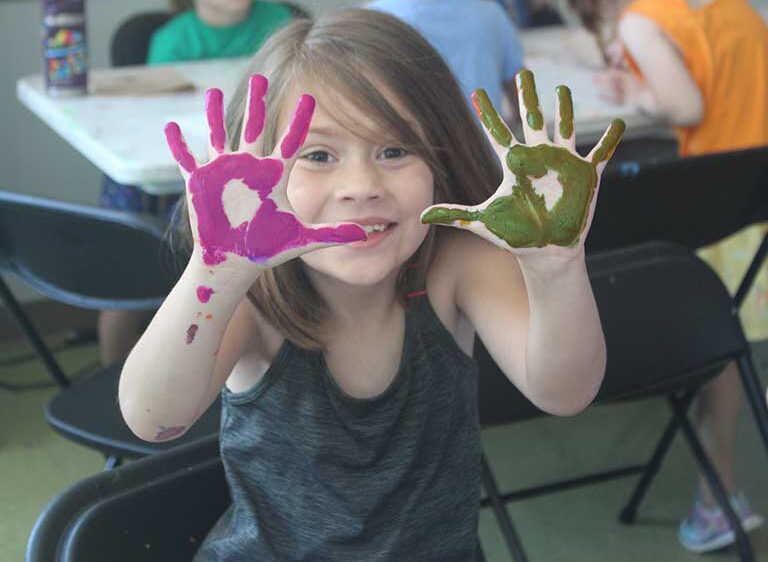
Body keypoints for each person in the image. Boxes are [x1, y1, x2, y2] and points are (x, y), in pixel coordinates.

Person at [119, 9, 621, 560]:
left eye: (394, 150)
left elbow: (566, 392)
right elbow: (153, 419)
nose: (360, 186)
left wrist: (555, 269)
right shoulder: (251, 295)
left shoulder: (455, 267)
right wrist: (214, 275)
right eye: (318, 155)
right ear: (256, 167)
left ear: (441, 155)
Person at [568, 0, 768, 553]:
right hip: (756, 197)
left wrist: (636, 91)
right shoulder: (736, 8)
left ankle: (718, 494)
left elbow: (685, 104)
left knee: (719, 357)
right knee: (734, 351)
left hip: (720, 215)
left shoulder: (643, 19)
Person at [98, 0, 296, 366]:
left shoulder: (281, 21)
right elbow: (155, 121)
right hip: (170, 177)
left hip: (252, 176)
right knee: (123, 275)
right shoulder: (171, 40)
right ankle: (112, 373)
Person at [366, 0, 524, 121]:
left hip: (412, 153)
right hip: (487, 150)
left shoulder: (373, 19)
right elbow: (519, 85)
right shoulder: (490, 13)